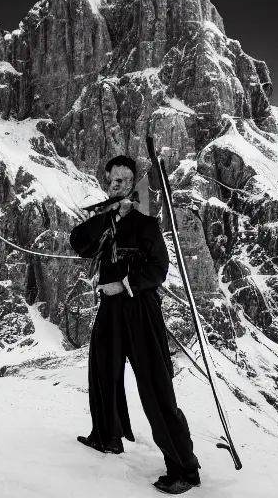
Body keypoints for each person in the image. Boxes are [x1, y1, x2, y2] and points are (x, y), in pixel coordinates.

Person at [69, 156, 202, 495]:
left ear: (133, 184)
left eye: (125, 180)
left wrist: (123, 284)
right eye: (113, 180)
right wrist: (111, 215)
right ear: (107, 183)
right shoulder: (104, 220)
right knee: (102, 370)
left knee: (156, 386)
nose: (119, 185)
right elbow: (79, 243)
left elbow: (158, 269)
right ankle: (107, 437)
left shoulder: (147, 223)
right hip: (111, 311)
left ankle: (184, 468)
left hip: (141, 309)